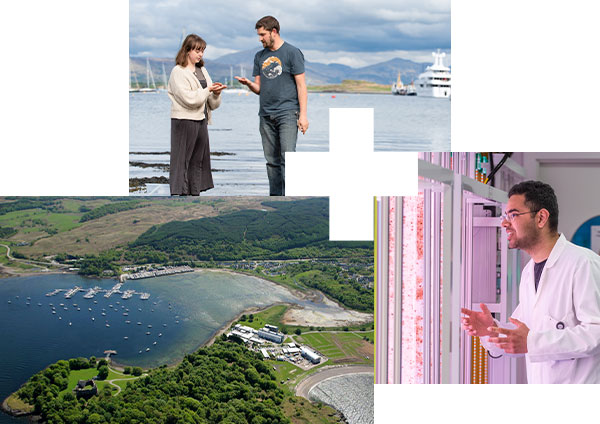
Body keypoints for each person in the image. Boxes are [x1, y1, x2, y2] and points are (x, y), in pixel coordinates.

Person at [462, 180, 600, 383]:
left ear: (541, 218)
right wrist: (490, 329)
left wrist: (533, 342)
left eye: (513, 215)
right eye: (505, 216)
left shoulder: (583, 263)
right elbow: (523, 331)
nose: (505, 223)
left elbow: (596, 332)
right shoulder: (529, 272)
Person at [234, 15, 308, 196]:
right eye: (259, 35)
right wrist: (249, 84)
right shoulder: (259, 56)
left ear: (274, 31)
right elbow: (259, 88)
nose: (260, 39)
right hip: (265, 115)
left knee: (288, 159)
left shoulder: (292, 53)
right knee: (271, 161)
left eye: (262, 35)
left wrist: (303, 115)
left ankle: (292, 198)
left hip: (288, 114)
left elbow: (301, 85)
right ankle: (276, 200)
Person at [167, 34, 226, 195]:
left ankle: (195, 193)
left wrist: (216, 94)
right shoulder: (178, 72)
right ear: (187, 50)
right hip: (184, 120)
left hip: (202, 120)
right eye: (197, 50)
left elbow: (211, 104)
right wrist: (208, 90)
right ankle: (180, 194)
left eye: (202, 51)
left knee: (198, 160)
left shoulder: (202, 70)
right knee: (182, 160)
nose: (200, 54)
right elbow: (189, 100)